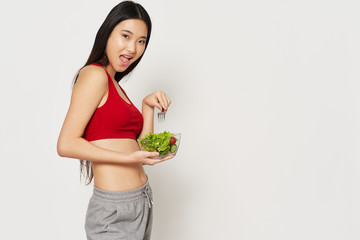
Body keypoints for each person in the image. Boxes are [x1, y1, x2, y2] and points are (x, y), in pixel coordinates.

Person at [57, 1, 174, 239]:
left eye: (141, 41)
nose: (133, 48)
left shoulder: (116, 86)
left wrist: (147, 106)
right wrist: (128, 158)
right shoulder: (94, 75)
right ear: (107, 33)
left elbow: (141, 148)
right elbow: (66, 144)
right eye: (126, 36)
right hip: (115, 211)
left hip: (141, 202)